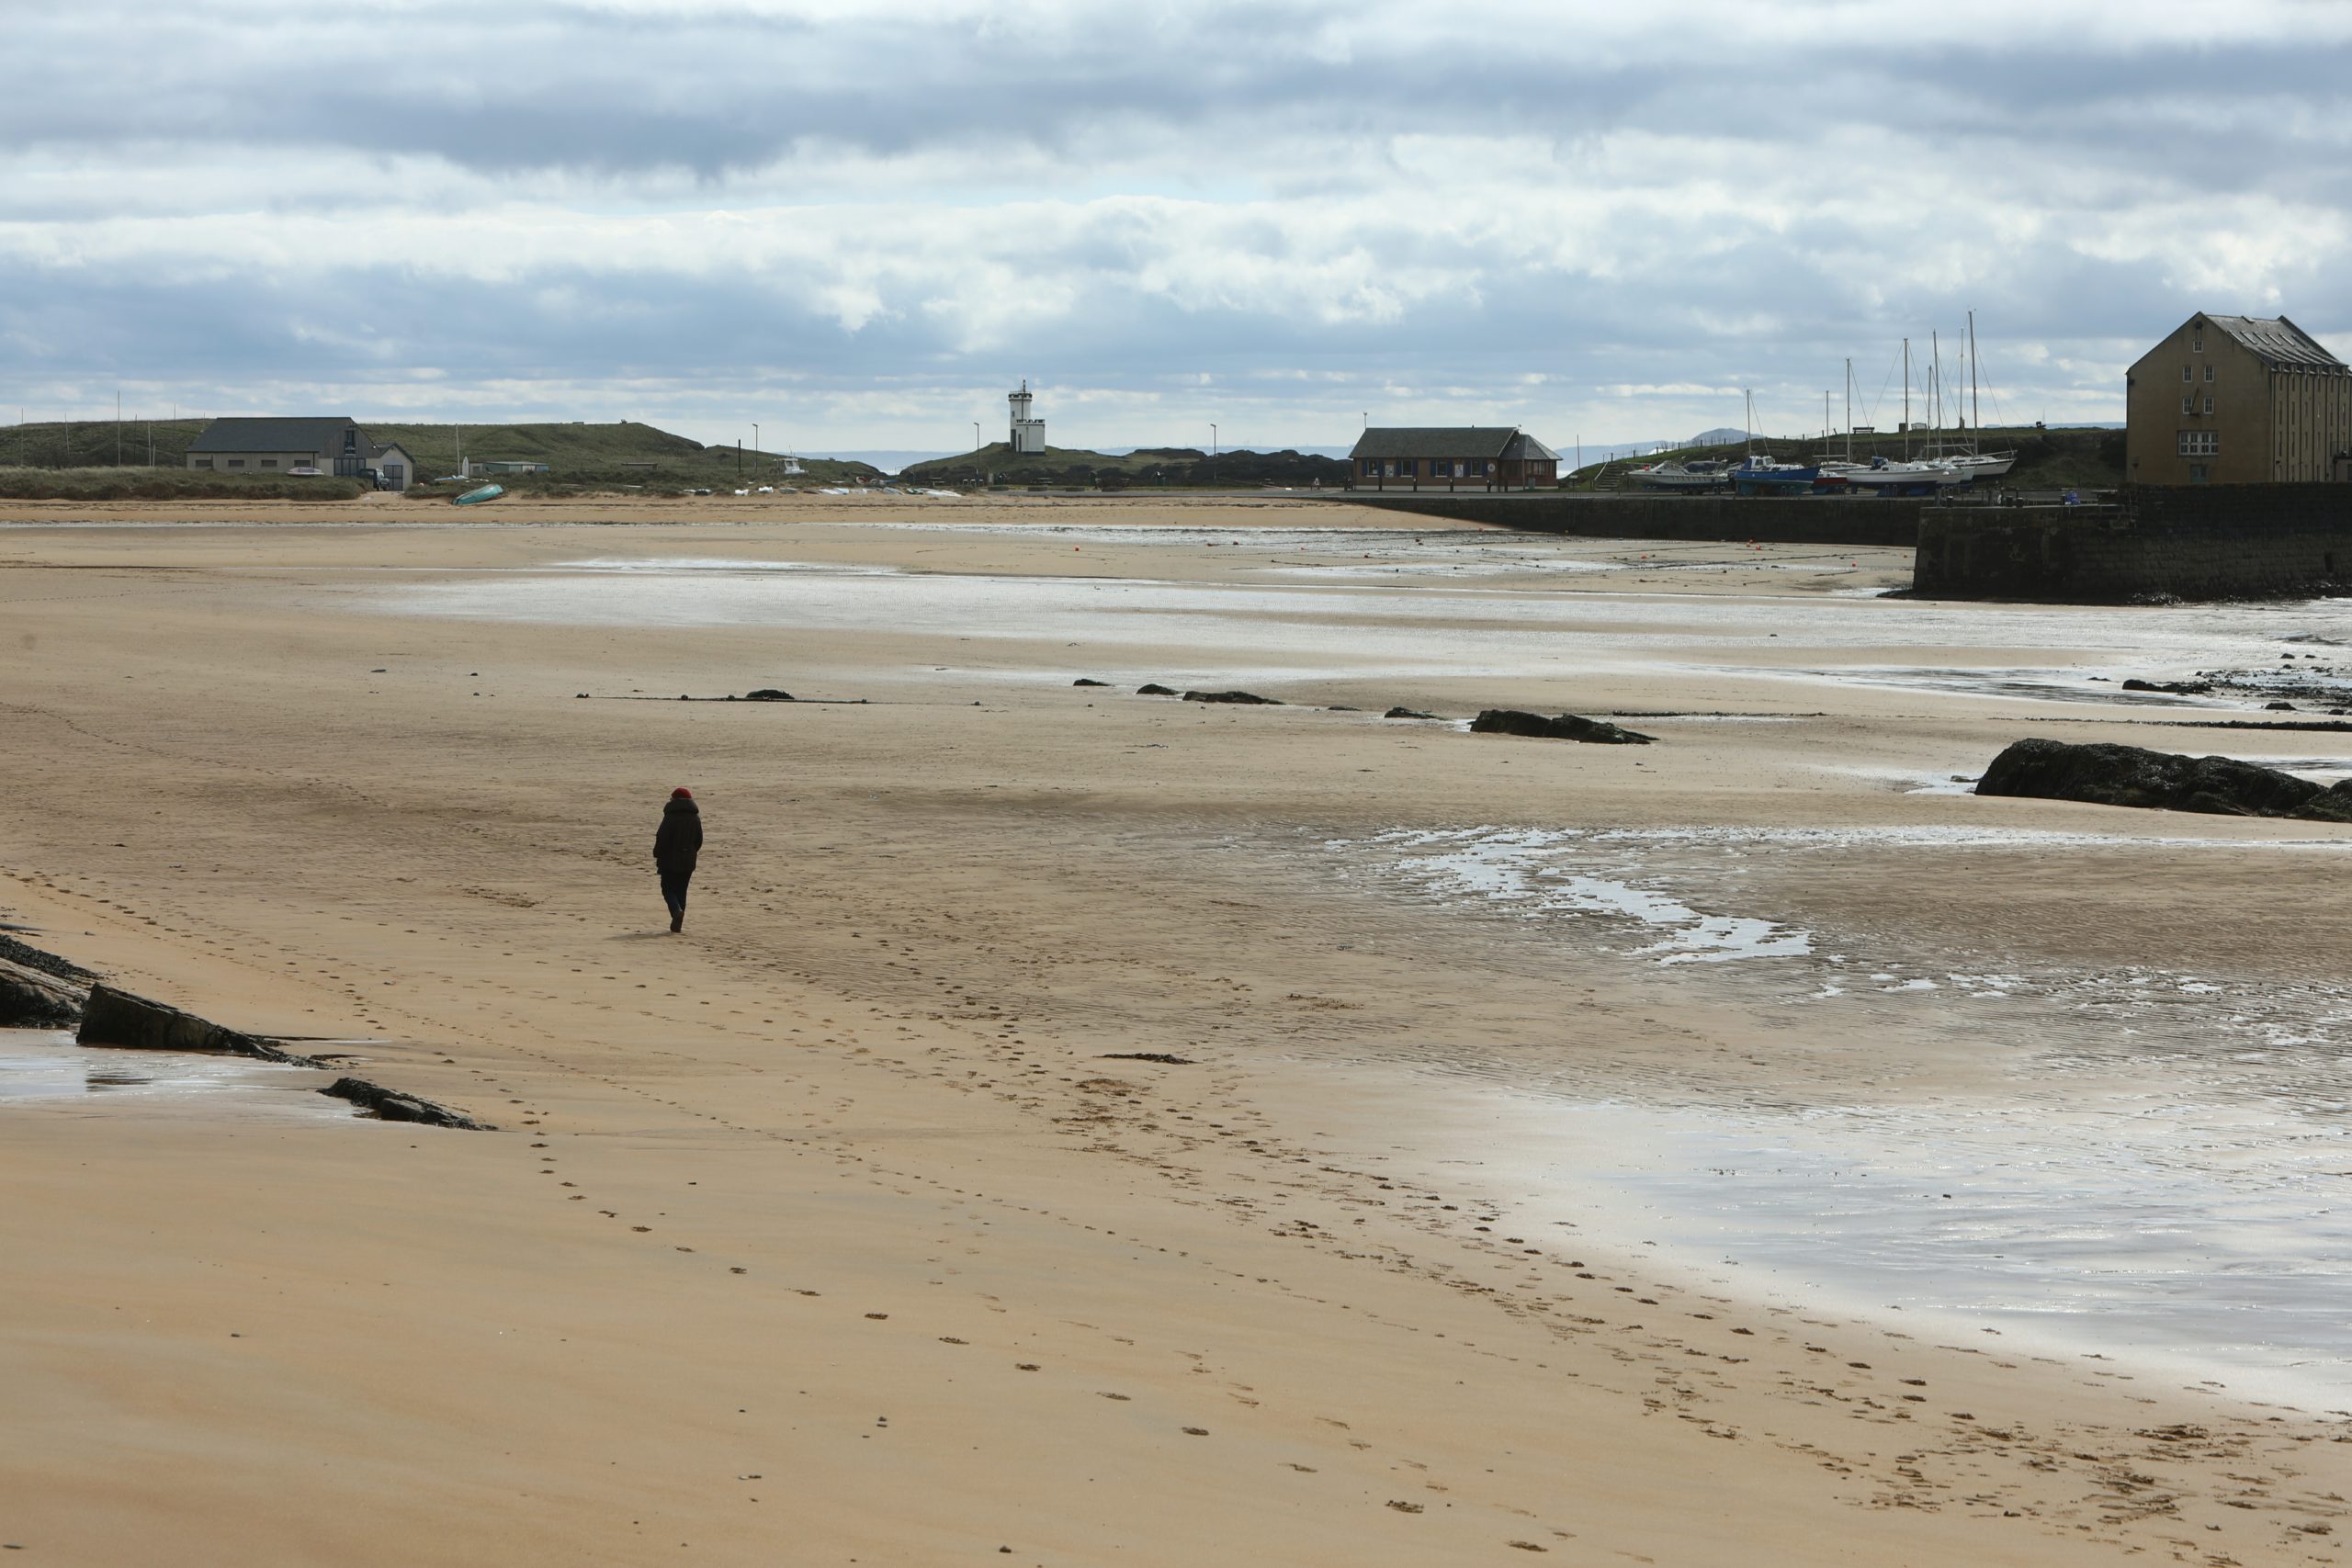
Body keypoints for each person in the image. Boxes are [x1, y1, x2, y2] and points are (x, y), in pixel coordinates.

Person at [654, 786, 702, 932]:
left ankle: (676, 911)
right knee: (682, 890)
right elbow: (698, 840)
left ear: (674, 800)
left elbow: (662, 839)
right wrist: (691, 853)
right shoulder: (695, 818)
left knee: (667, 888)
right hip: (688, 861)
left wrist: (657, 853)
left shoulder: (670, 817)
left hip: (669, 860)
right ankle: (678, 919)